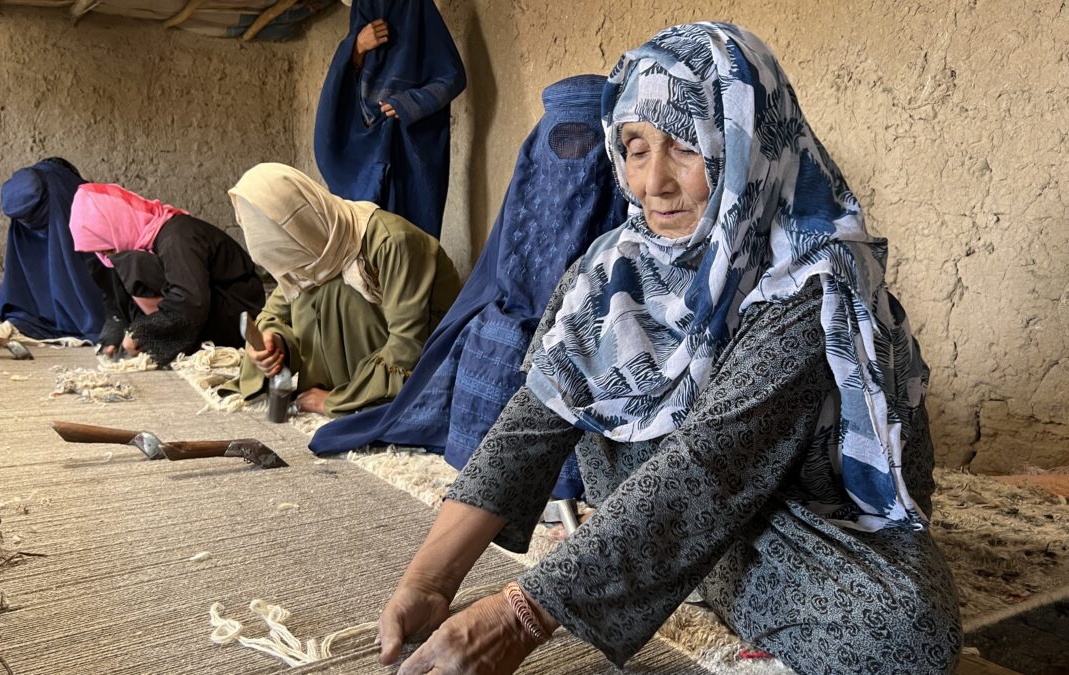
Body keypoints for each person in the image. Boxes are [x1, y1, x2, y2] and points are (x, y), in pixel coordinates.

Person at [374, 23, 962, 675]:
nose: (652, 181)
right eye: (634, 146)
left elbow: (710, 463)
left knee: (907, 629)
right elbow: (530, 424)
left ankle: (663, 562)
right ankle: (657, 559)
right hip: (664, 485)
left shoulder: (809, 280)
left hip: (792, 503)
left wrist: (519, 616)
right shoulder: (612, 268)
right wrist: (429, 579)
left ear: (743, 145)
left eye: (685, 144)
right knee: (633, 461)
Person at [309, 73, 629, 500]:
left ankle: (561, 480)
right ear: (537, 149)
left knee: (563, 351)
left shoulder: (630, 199)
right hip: (522, 305)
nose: (570, 158)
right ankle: (483, 464)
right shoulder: (532, 184)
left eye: (585, 144)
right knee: (492, 332)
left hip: (601, 316)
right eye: (559, 143)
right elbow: (511, 266)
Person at [220, 163, 461, 416]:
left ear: (302, 223)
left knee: (333, 290)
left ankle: (361, 393)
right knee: (309, 288)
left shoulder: (392, 243)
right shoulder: (314, 253)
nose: (292, 271)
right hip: (364, 365)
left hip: (427, 365)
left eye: (292, 259)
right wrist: (273, 343)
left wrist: (335, 402)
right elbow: (275, 314)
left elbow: (407, 349)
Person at [313, 0, 466, 239]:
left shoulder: (417, 10)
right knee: (369, 238)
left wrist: (409, 103)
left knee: (412, 240)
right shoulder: (363, 11)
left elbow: (452, 77)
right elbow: (343, 93)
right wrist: (357, 48)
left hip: (412, 151)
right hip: (367, 146)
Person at [69, 183, 265, 366]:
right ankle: (160, 335)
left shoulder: (176, 238)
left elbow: (190, 303)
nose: (103, 255)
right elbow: (113, 298)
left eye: (105, 247)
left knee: (131, 264)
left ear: (115, 224)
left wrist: (143, 333)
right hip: (210, 306)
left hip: (239, 317)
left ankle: (173, 340)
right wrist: (117, 329)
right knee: (117, 264)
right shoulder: (146, 239)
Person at [0, 158, 104, 341]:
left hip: (46, 201)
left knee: (47, 250)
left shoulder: (53, 189)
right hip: (52, 200)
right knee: (63, 250)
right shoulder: (68, 188)